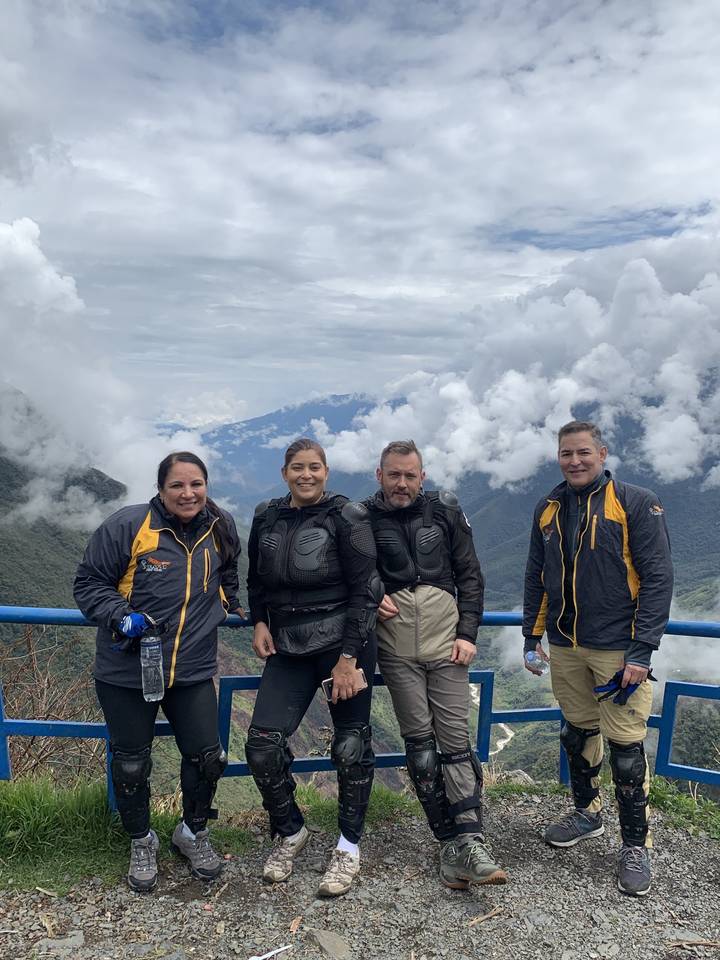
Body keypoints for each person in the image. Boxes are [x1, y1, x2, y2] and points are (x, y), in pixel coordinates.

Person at [74, 451, 242, 892]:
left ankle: (192, 832)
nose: (188, 494)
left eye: (196, 484)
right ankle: (140, 840)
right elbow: (88, 583)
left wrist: (228, 603)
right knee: (131, 764)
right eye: (177, 486)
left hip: (191, 668)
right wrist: (118, 614)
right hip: (126, 669)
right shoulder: (129, 526)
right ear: (161, 489)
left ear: (206, 486)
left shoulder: (219, 525)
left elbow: (230, 571)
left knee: (209, 758)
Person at [522, 420, 673, 897]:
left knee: (627, 751)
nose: (575, 461)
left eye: (584, 452)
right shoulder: (548, 508)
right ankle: (588, 813)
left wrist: (641, 651)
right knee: (577, 732)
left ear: (603, 453)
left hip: (618, 648)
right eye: (567, 453)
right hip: (567, 644)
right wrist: (532, 635)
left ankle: (636, 845)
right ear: (559, 456)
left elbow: (658, 578)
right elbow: (535, 574)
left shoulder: (634, 502)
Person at [365, 439, 507, 889]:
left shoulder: (445, 513)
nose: (402, 483)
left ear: (422, 476)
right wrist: (373, 592)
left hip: (448, 646)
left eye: (410, 475)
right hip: (397, 651)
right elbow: (349, 571)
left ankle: (471, 838)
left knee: (455, 743)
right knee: (420, 747)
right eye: (394, 474)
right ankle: (448, 843)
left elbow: (470, 575)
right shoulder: (362, 516)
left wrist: (468, 634)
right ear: (380, 475)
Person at [245, 438, 382, 897]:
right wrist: (260, 620)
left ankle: (348, 846)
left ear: (327, 471)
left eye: (315, 467)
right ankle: (290, 831)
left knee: (349, 747)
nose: (307, 475)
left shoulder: (347, 516)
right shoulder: (267, 516)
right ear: (285, 472)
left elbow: (367, 589)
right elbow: (255, 580)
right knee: (262, 745)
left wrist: (348, 660)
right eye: (298, 467)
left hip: (343, 644)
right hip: (286, 644)